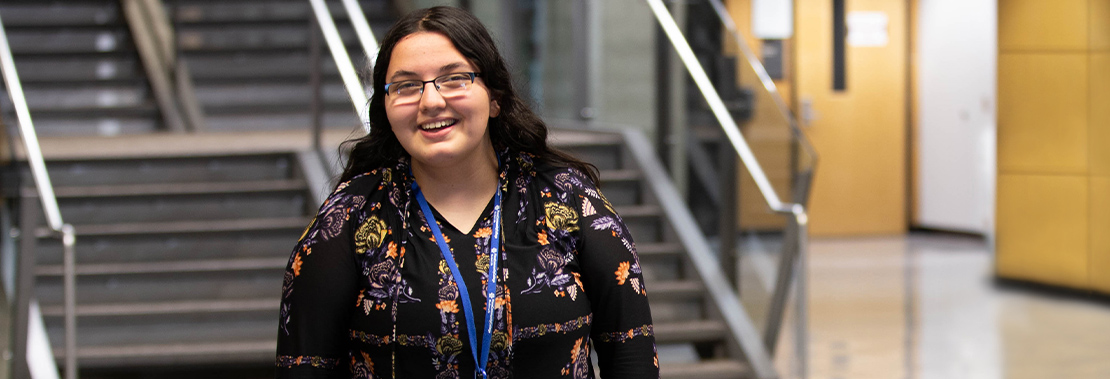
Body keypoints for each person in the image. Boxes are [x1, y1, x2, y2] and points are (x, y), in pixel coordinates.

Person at [276, 6, 657, 378]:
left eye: (454, 78)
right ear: (386, 107)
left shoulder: (570, 203)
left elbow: (632, 357)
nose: (430, 101)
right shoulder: (347, 220)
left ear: (494, 98)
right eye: (406, 86)